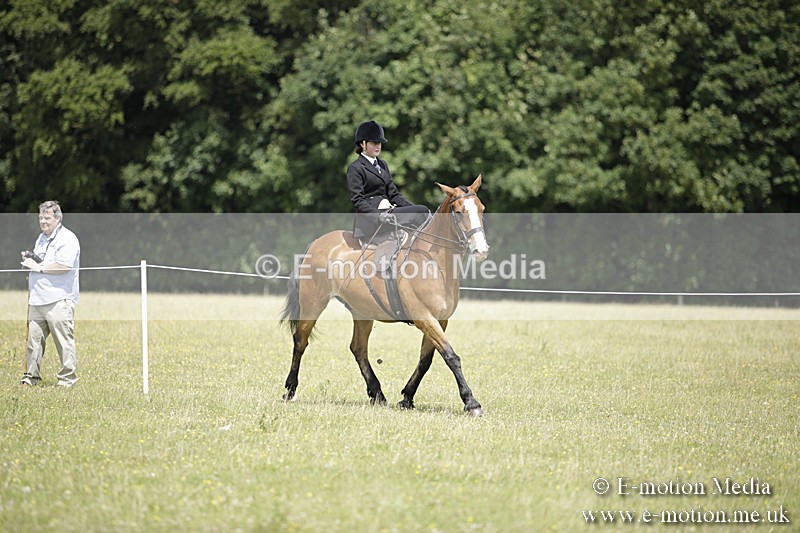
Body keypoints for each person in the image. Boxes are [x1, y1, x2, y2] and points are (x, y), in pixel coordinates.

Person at [19, 201, 81, 388]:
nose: (43, 221)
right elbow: (42, 261)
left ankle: (67, 380)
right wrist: (31, 259)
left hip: (58, 300)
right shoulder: (42, 238)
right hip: (37, 298)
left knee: (63, 341)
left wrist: (39, 267)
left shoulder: (67, 239)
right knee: (34, 341)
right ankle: (31, 378)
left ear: (58, 218)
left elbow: (64, 266)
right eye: (40, 217)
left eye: (47, 217)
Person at [346, 121, 430, 241]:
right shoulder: (356, 167)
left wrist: (412, 207)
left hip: (388, 213)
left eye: (380, 143)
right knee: (421, 210)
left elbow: (394, 195)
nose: (378, 146)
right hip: (372, 220)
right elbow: (358, 201)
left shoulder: (382, 164)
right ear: (363, 144)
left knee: (422, 211)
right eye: (374, 143)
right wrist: (378, 215)